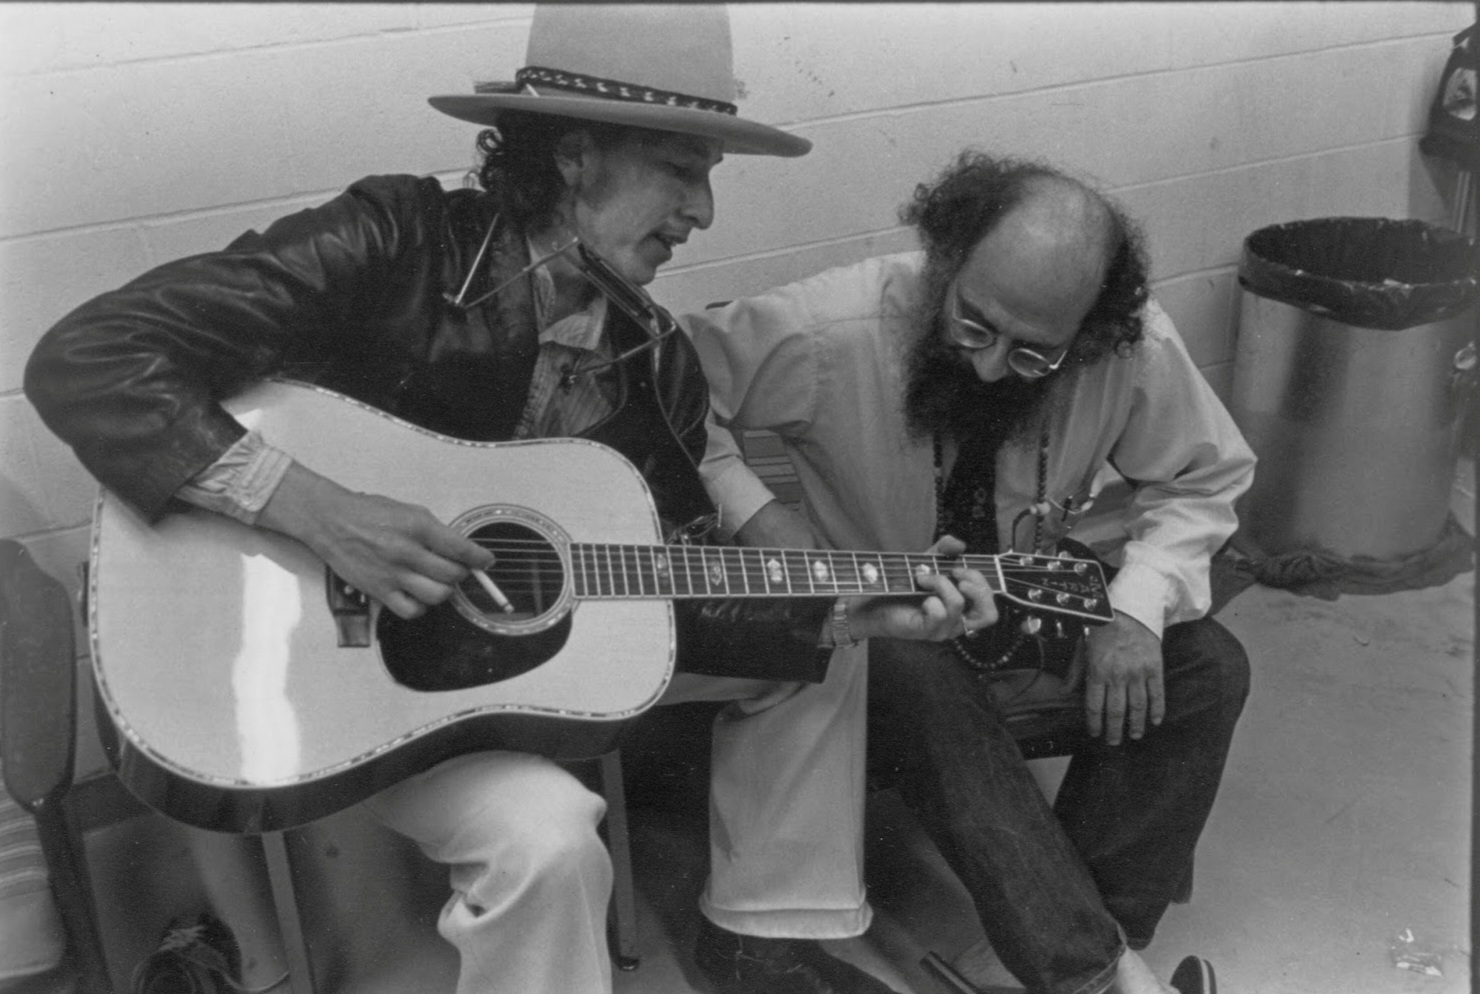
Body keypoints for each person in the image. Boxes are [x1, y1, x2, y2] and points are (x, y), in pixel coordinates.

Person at [23, 9, 998, 994]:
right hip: (305, 676)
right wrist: (320, 510)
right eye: (680, 170)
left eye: (708, 177)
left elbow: (652, 601)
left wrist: (838, 610)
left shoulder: (655, 361)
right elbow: (90, 356)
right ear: (574, 154)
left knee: (572, 823)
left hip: (467, 694)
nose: (702, 211)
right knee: (553, 834)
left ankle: (759, 940)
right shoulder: (397, 238)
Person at [685, 151, 1256, 994]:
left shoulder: (1128, 342)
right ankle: (1092, 978)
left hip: (1025, 595)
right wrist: (764, 519)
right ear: (945, 263)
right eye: (974, 327)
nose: (991, 367)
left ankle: (1067, 940)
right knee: (919, 672)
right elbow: (667, 393)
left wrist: (1137, 608)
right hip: (887, 624)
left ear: (1089, 330)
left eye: (1033, 355)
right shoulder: (832, 324)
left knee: (1207, 667)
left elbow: (1204, 477)